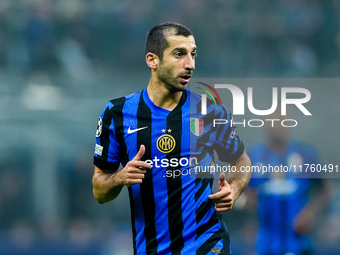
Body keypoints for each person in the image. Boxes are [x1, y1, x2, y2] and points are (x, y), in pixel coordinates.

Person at [92, 22, 251, 255]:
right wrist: (120, 178)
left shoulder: (211, 111)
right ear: (152, 60)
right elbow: (99, 191)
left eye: (193, 54)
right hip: (152, 248)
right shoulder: (117, 113)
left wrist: (235, 190)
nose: (190, 65)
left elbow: (241, 161)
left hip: (206, 242)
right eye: (179, 54)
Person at [246, 113, 329, 255]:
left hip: (299, 239)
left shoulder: (305, 154)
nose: (277, 127)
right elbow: (244, 193)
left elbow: (324, 190)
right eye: (272, 122)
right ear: (265, 126)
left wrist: (310, 212)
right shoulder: (254, 157)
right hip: (266, 241)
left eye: (280, 122)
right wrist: (247, 202)